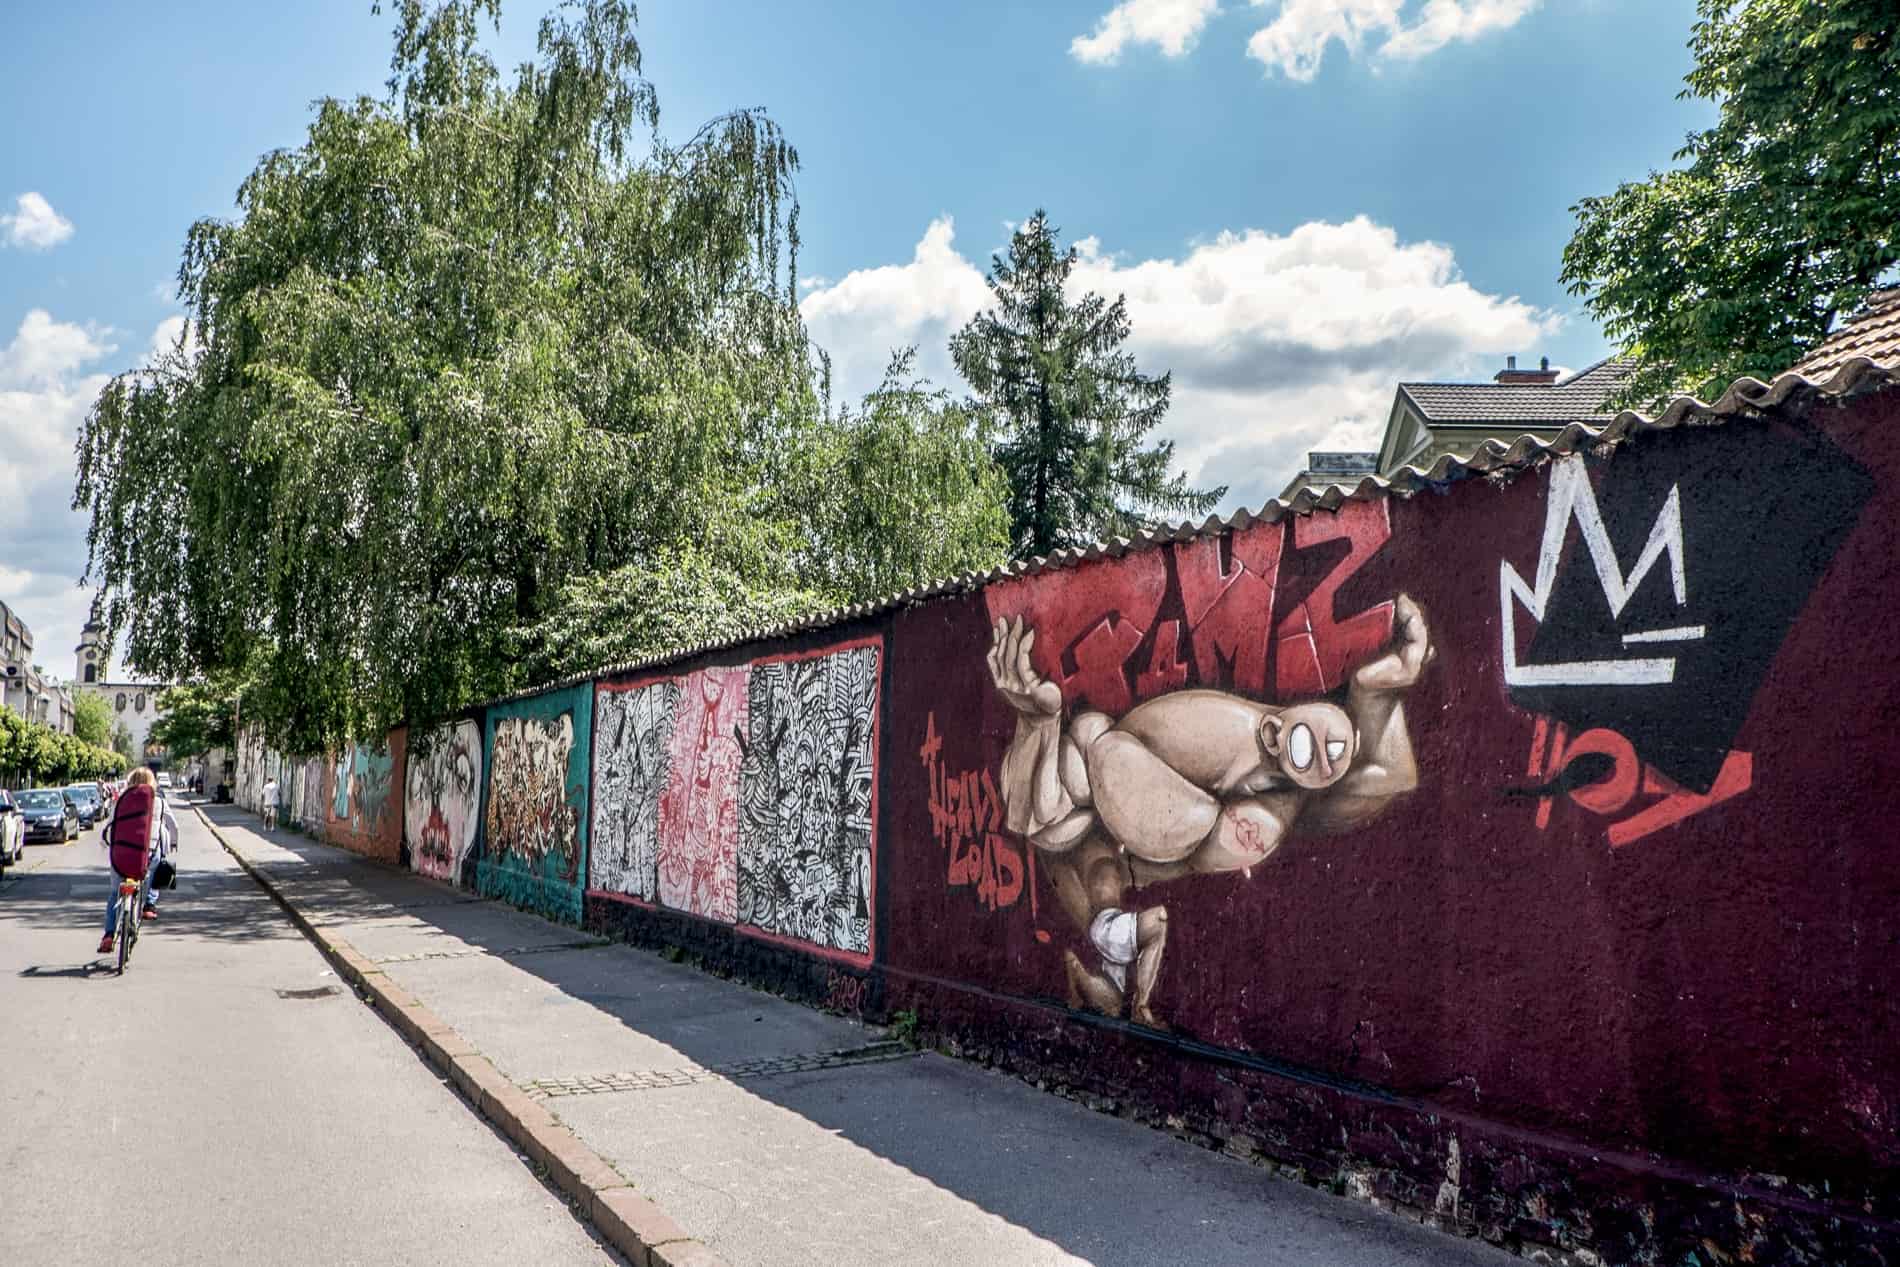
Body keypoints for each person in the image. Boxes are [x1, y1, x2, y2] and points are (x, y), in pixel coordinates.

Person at [987, 595, 1434, 1029]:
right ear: (1279, 733)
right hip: (1112, 795)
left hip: (1122, 813)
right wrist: (1039, 725)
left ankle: (1121, 979)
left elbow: (1389, 773)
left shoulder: (1276, 792)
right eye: (1305, 748)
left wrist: (1376, 685)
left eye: (1333, 752)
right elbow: (1049, 819)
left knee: (1070, 818)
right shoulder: (1112, 786)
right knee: (1065, 812)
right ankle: (1048, 740)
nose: (1320, 759)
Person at [98, 768, 178, 955]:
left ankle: (109, 934)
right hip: (148, 856)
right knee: (155, 866)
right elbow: (173, 825)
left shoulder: (121, 801)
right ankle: (149, 904)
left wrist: (105, 845)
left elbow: (108, 826)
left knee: (114, 894)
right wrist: (173, 842)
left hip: (121, 856)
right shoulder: (159, 801)